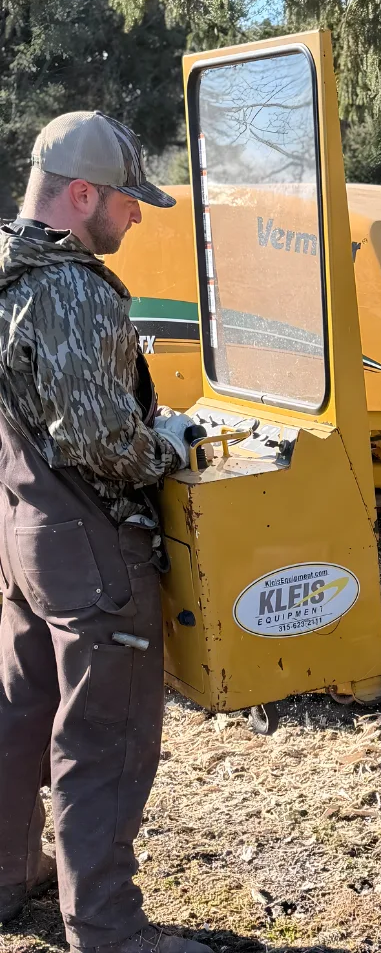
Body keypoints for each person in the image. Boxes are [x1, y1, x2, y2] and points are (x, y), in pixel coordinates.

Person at [0, 112, 211, 953]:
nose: (137, 215)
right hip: (92, 546)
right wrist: (169, 441)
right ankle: (112, 934)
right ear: (80, 194)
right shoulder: (74, 289)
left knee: (22, 710)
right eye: (127, 201)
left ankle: (9, 877)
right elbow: (99, 443)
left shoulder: (7, 269)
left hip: (22, 533)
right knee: (105, 738)